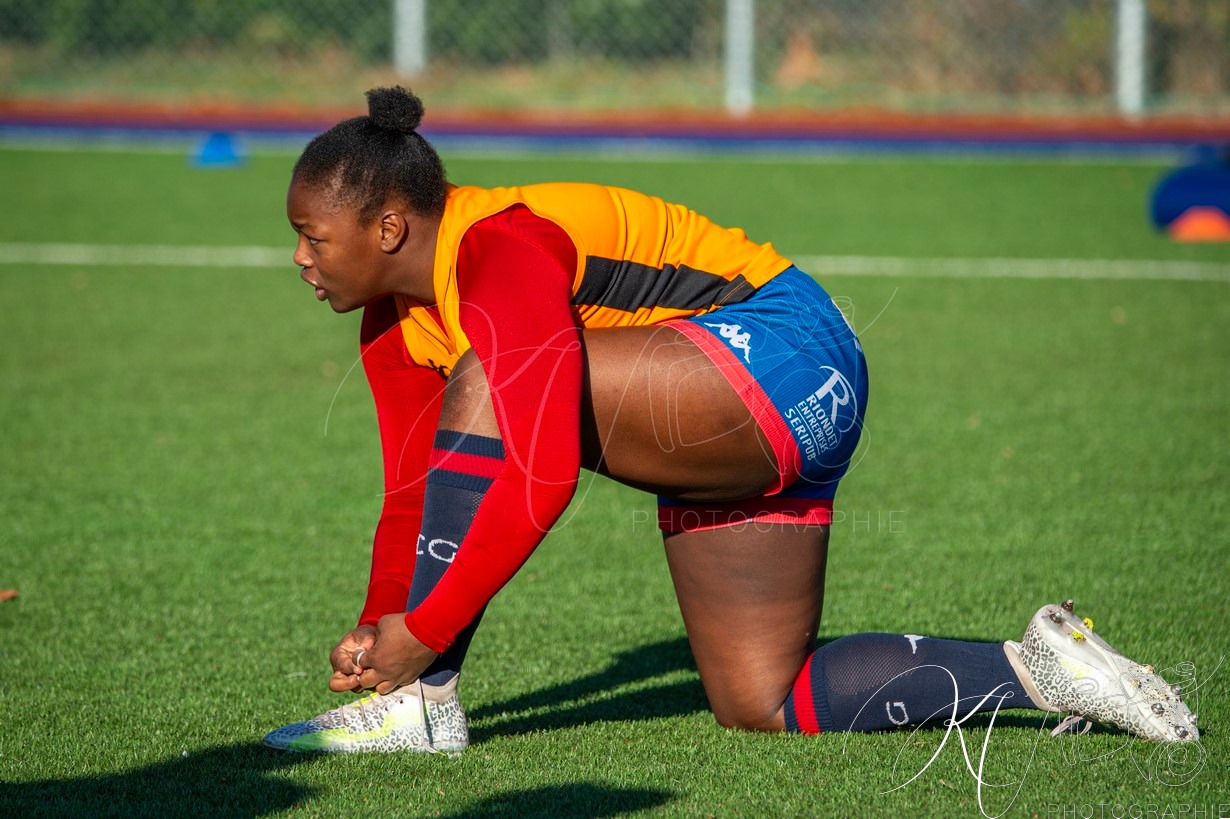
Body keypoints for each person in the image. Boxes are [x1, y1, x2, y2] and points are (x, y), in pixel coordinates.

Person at [262, 87, 1197, 753]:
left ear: (387, 227)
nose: (301, 257)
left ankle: (425, 706)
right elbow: (414, 487)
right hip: (734, 410)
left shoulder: (500, 247)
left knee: (492, 383)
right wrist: (379, 630)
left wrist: (423, 640)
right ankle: (1043, 668)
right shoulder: (394, 320)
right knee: (763, 698)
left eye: (312, 234)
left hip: (778, 354)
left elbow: (540, 471)